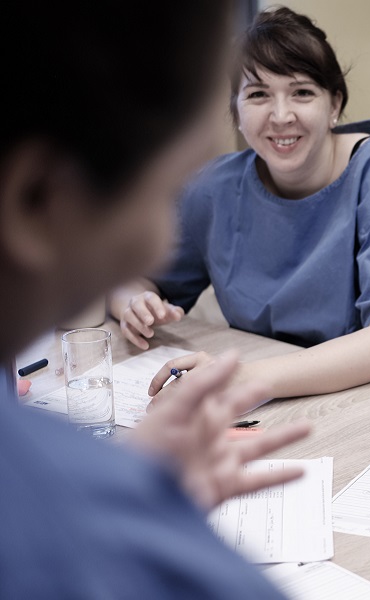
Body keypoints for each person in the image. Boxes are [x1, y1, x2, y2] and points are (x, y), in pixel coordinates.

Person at [1, 1, 311, 596]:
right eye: (165, 190)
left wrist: (124, 471)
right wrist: (120, 499)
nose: (164, 245)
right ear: (36, 201)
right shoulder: (106, 544)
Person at [109, 6, 370, 403]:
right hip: (275, 385)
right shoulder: (213, 187)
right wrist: (134, 304)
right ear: (236, 111)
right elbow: (133, 277)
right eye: (257, 94)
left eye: (302, 92)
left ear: (334, 105)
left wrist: (248, 379)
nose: (280, 115)